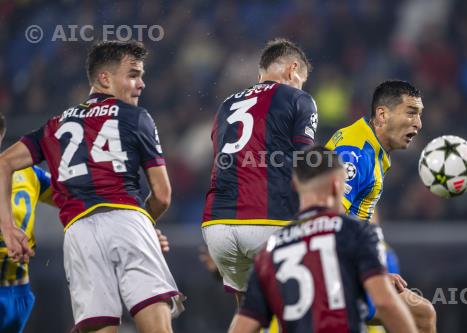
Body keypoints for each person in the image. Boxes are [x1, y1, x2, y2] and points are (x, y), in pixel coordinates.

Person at [0, 40, 183, 333]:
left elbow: (3, 163)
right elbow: (162, 195)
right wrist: (146, 225)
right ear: (105, 78)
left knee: (99, 326)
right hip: (127, 220)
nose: (142, 83)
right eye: (134, 74)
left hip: (78, 233)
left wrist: (8, 228)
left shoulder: (54, 125)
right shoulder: (136, 117)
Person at [229, 145, 418, 333]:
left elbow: (243, 326)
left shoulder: (269, 250)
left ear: (295, 186)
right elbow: (385, 303)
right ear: (337, 185)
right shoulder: (357, 232)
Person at [201, 38, 318, 309]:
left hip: (217, 226)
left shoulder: (226, 105)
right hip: (269, 220)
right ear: (292, 70)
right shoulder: (299, 98)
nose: (301, 86)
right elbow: (305, 162)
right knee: (298, 309)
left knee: (248, 315)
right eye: (302, 79)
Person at [325, 80, 436, 333]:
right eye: (411, 113)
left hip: (341, 264)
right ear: (382, 114)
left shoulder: (369, 147)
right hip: (333, 269)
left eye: (419, 115)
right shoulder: (355, 152)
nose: (418, 124)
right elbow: (330, 215)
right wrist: (370, 272)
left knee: (421, 314)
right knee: (422, 315)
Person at [0, 113, 52, 333]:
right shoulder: (29, 172)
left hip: (18, 293)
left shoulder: (31, 173)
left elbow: (76, 199)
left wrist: (133, 227)